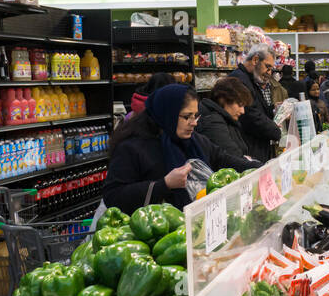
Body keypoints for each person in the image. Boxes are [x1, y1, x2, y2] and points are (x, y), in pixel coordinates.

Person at [102, 83, 258, 213]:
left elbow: (221, 158)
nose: (194, 122)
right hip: (153, 235)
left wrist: (260, 167)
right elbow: (113, 196)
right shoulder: (132, 147)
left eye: (196, 115)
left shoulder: (195, 141)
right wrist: (164, 184)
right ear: (167, 114)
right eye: (186, 116)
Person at [229, 43, 283, 160]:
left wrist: (274, 109)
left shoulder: (250, 79)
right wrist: (277, 131)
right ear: (255, 60)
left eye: (271, 69)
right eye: (267, 67)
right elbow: (250, 115)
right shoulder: (239, 80)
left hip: (255, 146)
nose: (269, 72)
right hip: (249, 148)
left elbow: (257, 108)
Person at [195, 76, 260, 161]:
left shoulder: (225, 119)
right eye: (240, 105)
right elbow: (233, 157)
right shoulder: (213, 122)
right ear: (223, 100)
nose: (242, 111)